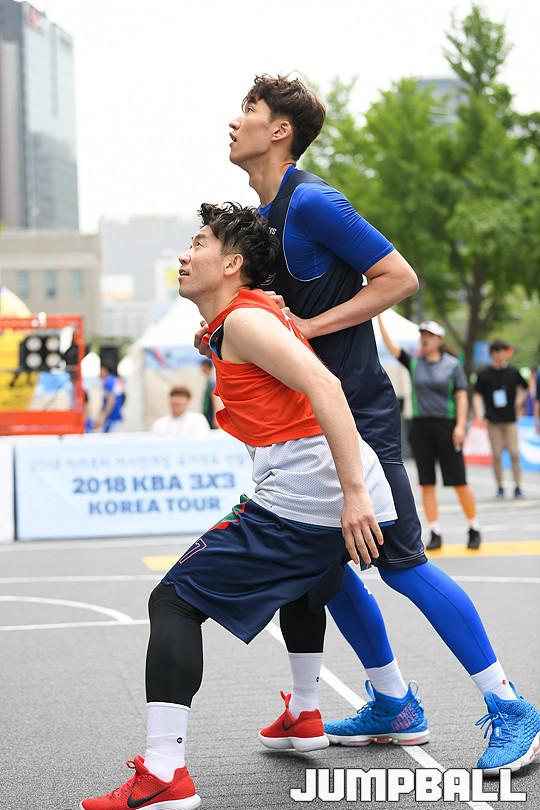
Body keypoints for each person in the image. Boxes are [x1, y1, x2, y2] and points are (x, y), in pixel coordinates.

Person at [195, 73, 540, 772]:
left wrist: (309, 326)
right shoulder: (262, 219)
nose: (235, 121)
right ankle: (393, 701)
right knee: (323, 572)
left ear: (280, 130)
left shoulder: (313, 202)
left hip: (358, 412)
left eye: (248, 110)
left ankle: (512, 708)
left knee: (401, 561)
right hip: (308, 426)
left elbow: (399, 278)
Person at [80, 203, 399, 810]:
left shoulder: (246, 322)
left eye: (198, 243)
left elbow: (326, 386)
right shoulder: (243, 316)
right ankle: (307, 712)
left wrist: (355, 495)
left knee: (173, 600)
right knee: (305, 583)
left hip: (312, 487)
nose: (184, 254)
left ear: (231, 264)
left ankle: (165, 772)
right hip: (321, 482)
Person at [378, 315, 481, 550]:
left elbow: (461, 397)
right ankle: (435, 531)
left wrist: (460, 426)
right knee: (427, 483)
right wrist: (380, 317)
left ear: (439, 340)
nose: (424, 339)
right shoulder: (415, 363)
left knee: (459, 481)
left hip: (447, 427)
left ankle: (473, 527)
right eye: (422, 335)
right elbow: (392, 347)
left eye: (429, 335)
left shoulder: (452, 365)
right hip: (421, 428)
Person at [473, 339, 529, 499]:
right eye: (501, 351)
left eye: (505, 351)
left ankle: (518, 486)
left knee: (514, 453)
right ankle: (500, 486)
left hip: (510, 419)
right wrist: (480, 414)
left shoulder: (513, 372)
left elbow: (525, 388)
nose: (504, 355)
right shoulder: (484, 374)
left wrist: (518, 402)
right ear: (494, 353)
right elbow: (477, 395)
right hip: (493, 421)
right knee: (496, 454)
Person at [95, 362, 124, 432]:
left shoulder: (109, 380)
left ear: (105, 370)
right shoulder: (116, 380)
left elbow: (111, 399)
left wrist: (103, 417)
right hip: (117, 417)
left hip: (111, 419)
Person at [200, 358, 217, 428]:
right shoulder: (209, 379)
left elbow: (215, 398)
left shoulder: (212, 381)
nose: (202, 369)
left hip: (211, 411)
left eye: (203, 367)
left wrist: (215, 416)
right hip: (207, 410)